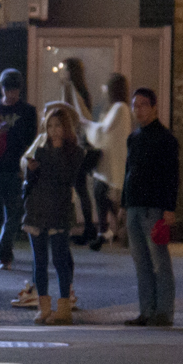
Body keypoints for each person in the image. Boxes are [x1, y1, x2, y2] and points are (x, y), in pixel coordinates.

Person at [20, 109, 85, 324]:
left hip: (59, 209)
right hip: (37, 208)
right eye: (50, 126)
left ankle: (64, 306)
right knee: (39, 261)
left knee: (60, 259)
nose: (54, 131)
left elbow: (66, 178)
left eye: (58, 126)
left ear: (66, 128)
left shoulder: (75, 152)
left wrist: (55, 154)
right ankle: (43, 307)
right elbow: (32, 179)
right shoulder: (40, 149)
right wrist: (31, 170)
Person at [122, 88, 180, 327]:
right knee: (140, 260)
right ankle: (146, 310)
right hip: (135, 205)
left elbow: (172, 176)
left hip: (155, 207)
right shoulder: (134, 137)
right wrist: (124, 204)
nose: (139, 110)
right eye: (135, 105)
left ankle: (163, 312)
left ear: (155, 107)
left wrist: (169, 208)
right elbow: (128, 172)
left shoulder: (166, 139)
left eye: (143, 105)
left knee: (159, 259)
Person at [0, 68, 38, 269]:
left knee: (14, 213)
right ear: (2, 88)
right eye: (8, 90)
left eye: (15, 91)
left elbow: (30, 139)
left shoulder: (27, 111)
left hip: (14, 168)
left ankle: (4, 252)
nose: (11, 95)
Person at [82, 73, 131, 250]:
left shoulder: (119, 107)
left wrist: (86, 124)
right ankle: (108, 231)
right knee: (103, 194)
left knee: (103, 194)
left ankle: (111, 230)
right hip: (109, 159)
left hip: (109, 160)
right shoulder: (120, 108)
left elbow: (104, 129)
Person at [55, 58, 99, 246]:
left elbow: (68, 114)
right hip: (85, 145)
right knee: (81, 188)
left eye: (64, 69)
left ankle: (76, 226)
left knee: (72, 186)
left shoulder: (70, 88)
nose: (62, 72)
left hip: (75, 145)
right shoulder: (83, 90)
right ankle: (90, 227)